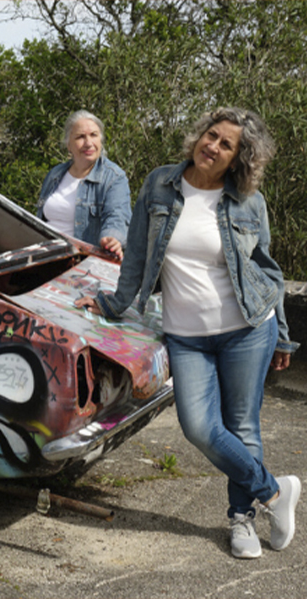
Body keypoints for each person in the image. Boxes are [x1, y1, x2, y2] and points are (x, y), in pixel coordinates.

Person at [75, 107, 300, 560]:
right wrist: (113, 304)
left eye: (226, 144)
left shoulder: (247, 199)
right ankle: (276, 492)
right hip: (186, 333)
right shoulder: (161, 183)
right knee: (199, 427)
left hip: (247, 329)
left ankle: (241, 520)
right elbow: (136, 251)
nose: (212, 146)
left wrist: (282, 334)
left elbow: (266, 269)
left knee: (242, 425)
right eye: (210, 135)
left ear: (239, 157)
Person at [37, 110, 131, 260]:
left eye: (94, 135)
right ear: (69, 145)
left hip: (79, 261)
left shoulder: (114, 177)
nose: (88, 143)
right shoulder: (55, 174)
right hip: (44, 257)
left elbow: (118, 216)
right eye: (80, 137)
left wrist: (111, 238)